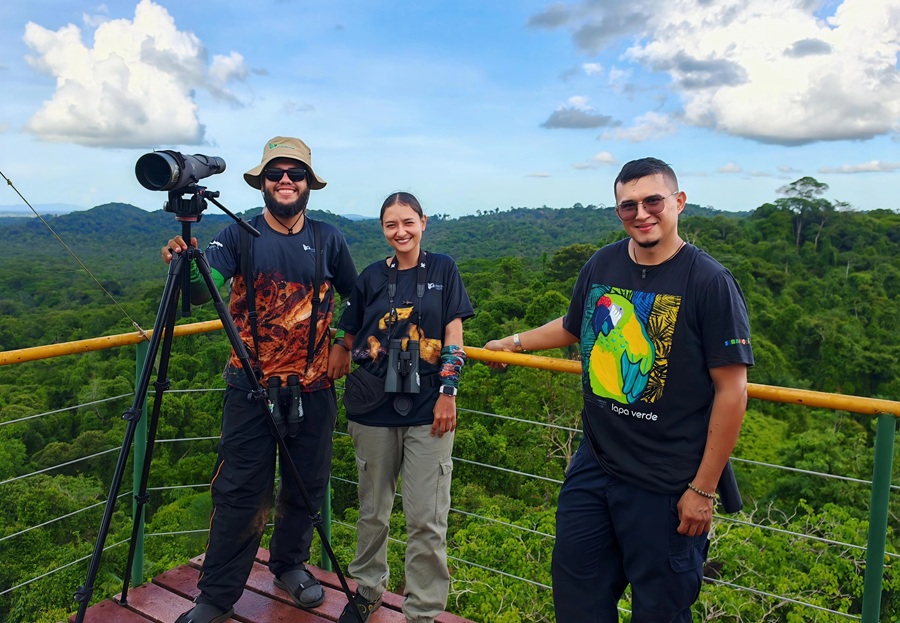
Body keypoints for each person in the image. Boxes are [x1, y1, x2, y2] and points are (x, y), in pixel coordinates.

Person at [484, 158, 753, 622]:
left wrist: (703, 490)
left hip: (667, 482)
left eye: (653, 201)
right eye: (629, 206)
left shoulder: (709, 281)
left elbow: (732, 391)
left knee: (660, 610)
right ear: (618, 212)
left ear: (678, 203)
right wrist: (513, 342)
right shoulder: (603, 264)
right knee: (577, 598)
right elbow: (573, 326)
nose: (642, 213)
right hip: (597, 464)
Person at [161, 136, 358, 623]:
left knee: (305, 485)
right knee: (241, 491)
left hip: (313, 387)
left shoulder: (329, 238)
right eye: (276, 173)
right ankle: (218, 594)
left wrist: (344, 343)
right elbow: (200, 293)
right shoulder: (237, 234)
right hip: (250, 386)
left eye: (295, 173)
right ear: (263, 182)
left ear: (309, 183)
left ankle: (290, 565)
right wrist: (183, 259)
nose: (285, 180)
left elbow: (359, 296)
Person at [335, 192, 474, 623]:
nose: (401, 232)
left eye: (408, 222)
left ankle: (423, 612)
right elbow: (348, 332)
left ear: (423, 222)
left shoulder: (444, 269)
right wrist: (333, 359)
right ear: (382, 229)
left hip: (430, 403)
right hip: (373, 401)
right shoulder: (372, 276)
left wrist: (449, 392)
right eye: (391, 225)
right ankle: (368, 589)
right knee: (372, 509)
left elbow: (454, 335)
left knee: (427, 517)